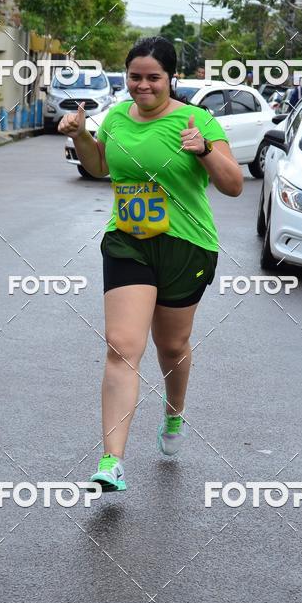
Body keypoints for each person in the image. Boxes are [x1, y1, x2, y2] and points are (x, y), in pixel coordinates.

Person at [59, 37, 243, 492]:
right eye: (135, 76)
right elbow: (100, 166)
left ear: (170, 78)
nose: (142, 85)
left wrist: (203, 150)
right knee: (122, 345)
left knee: (172, 347)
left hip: (186, 246)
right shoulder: (117, 117)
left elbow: (234, 184)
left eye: (152, 77)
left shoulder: (197, 120)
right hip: (128, 241)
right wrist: (81, 135)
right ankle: (112, 461)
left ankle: (174, 413)